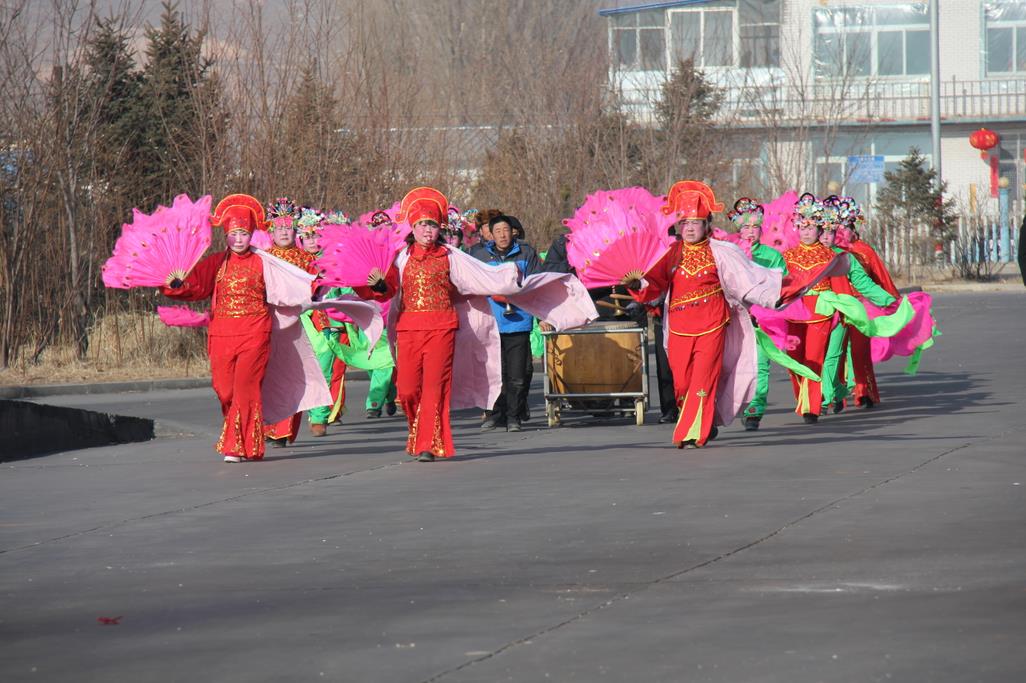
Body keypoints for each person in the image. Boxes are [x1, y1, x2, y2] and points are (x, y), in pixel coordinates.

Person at [354, 187, 596, 461]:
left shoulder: (450, 256)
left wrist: (512, 278)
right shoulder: (400, 257)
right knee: (408, 390)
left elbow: (483, 277)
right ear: (413, 227)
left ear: (439, 228)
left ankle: (428, 444)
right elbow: (386, 290)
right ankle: (418, 431)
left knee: (434, 387)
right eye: (422, 225)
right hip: (408, 329)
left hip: (442, 329)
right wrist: (378, 286)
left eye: (432, 225)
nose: (427, 230)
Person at [624, 181, 840, 448]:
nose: (689, 228)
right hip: (679, 327)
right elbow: (654, 283)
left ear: (707, 225)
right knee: (682, 383)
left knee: (703, 379)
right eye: (685, 223)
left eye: (695, 222)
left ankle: (692, 433)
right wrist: (639, 285)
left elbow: (749, 281)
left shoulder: (722, 252)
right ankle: (706, 419)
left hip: (713, 325)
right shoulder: (671, 253)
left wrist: (781, 291)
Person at [161, 194, 331, 462]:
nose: (239, 239)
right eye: (234, 234)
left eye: (244, 234)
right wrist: (175, 286)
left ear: (251, 235)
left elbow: (290, 287)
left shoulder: (264, 262)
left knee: (245, 388)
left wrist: (314, 287)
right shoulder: (217, 263)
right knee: (225, 390)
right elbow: (194, 287)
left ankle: (237, 446)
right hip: (221, 336)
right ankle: (242, 436)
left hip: (255, 334)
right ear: (226, 236)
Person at [817, 197, 897, 414]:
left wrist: (891, 301)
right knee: (820, 357)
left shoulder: (847, 257)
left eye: (831, 231)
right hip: (814, 314)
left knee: (840, 354)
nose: (826, 236)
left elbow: (867, 283)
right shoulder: (807, 255)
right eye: (822, 231)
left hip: (848, 310)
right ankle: (836, 392)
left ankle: (837, 395)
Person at [474, 214, 543, 432]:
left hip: (519, 322)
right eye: (498, 231)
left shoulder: (526, 253)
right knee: (494, 373)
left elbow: (538, 284)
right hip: (491, 323)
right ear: (490, 235)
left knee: (518, 374)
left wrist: (541, 317)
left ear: (512, 232)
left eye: (506, 230)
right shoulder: (480, 256)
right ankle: (496, 414)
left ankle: (514, 416)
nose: (503, 235)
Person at [262, 199, 319, 446]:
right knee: (271, 375)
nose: (284, 232)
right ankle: (269, 425)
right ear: (271, 231)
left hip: (300, 324)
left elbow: (317, 291)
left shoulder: (307, 260)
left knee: (294, 375)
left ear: (296, 231)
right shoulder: (263, 258)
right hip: (270, 323)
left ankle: (283, 430)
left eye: (288, 227)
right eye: (279, 227)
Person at [729, 199, 788, 431]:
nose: (750, 232)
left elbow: (783, 287)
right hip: (734, 319)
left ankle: (755, 409)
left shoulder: (773, 256)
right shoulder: (729, 253)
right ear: (738, 230)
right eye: (746, 227)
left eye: (755, 227)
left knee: (761, 365)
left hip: (763, 320)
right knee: (734, 366)